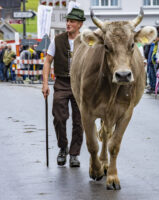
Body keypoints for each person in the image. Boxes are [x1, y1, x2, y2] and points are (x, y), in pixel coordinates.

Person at [42, 8, 85, 167]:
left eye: (72, 21)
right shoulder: (57, 40)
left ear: (79, 24)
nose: (68, 23)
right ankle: (63, 147)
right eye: (67, 21)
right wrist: (45, 84)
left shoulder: (87, 40)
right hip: (62, 83)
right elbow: (47, 61)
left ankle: (74, 154)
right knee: (59, 117)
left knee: (79, 121)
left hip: (80, 84)